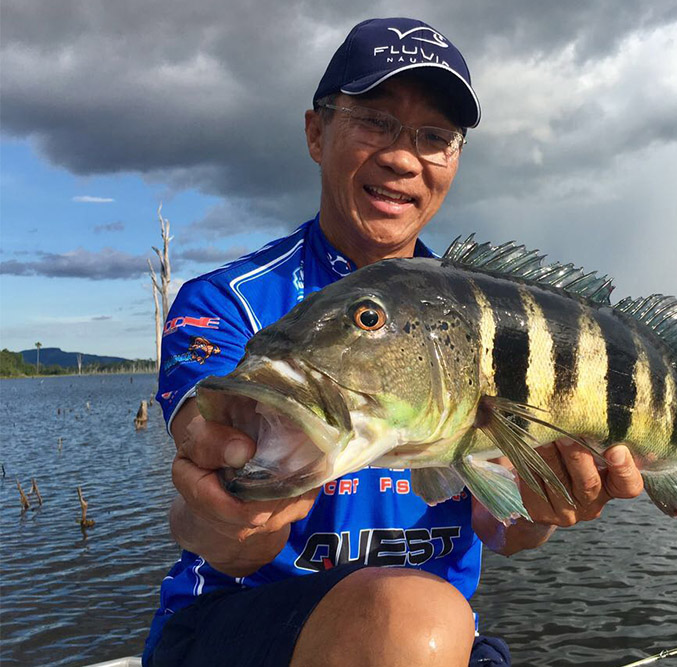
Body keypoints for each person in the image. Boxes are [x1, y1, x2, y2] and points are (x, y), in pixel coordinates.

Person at [143, 17, 644, 667]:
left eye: (434, 137)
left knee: (427, 620)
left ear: (454, 159)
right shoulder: (226, 305)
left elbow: (504, 526)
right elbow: (210, 512)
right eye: (376, 120)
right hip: (234, 625)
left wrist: (546, 504)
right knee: (419, 615)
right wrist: (224, 516)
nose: (403, 156)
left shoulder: (482, 318)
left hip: (430, 639)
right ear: (316, 131)